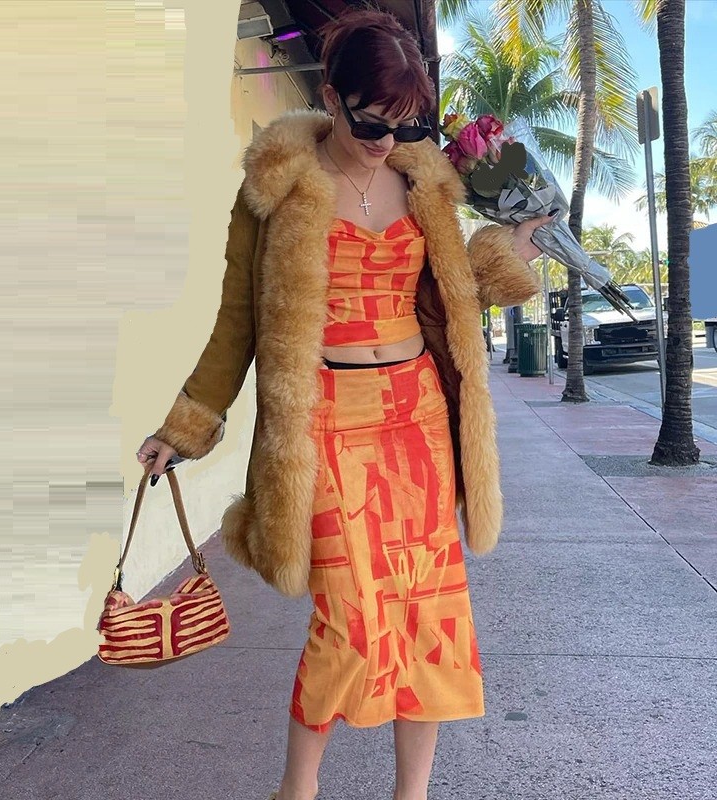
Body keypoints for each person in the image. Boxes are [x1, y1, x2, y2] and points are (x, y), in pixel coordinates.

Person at [136, 8, 549, 800]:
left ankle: (411, 793)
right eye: (370, 122)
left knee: (430, 612)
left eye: (406, 123)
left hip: (418, 421)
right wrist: (186, 425)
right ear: (330, 96)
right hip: (325, 421)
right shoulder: (278, 188)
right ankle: (297, 790)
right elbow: (238, 319)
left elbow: (452, 297)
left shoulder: (427, 181)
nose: (387, 141)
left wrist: (510, 253)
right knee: (349, 618)